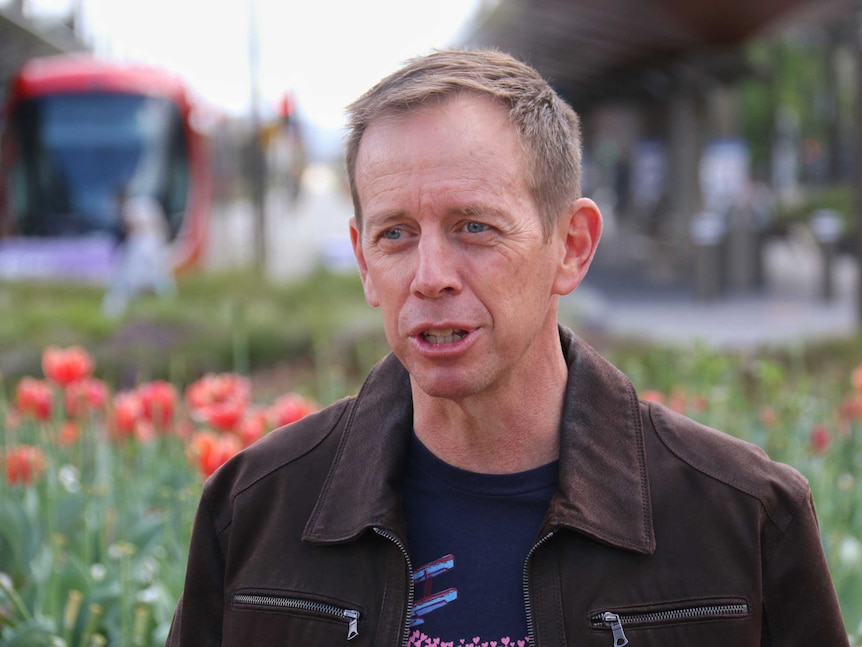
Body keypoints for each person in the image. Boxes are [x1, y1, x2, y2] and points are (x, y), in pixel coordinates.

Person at [165, 49, 848, 646]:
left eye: (474, 227)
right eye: (396, 234)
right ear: (364, 262)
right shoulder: (256, 509)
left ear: (571, 246)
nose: (431, 275)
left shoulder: (742, 519)